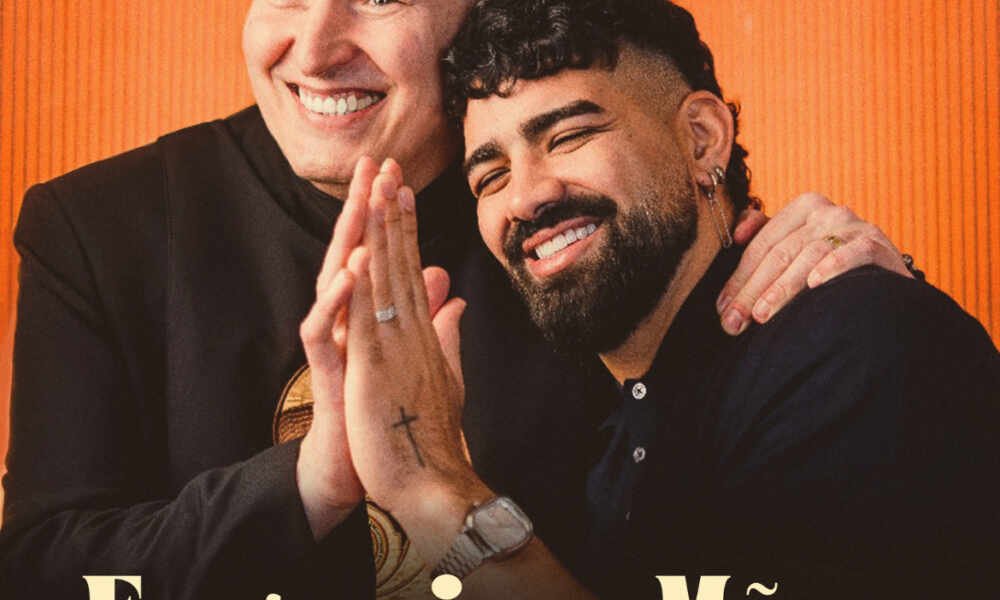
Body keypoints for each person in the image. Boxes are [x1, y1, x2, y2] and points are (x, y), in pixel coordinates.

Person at [0, 1, 918, 598]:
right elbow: (41, 570)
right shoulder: (94, 228)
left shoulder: (569, 220)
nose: (313, 50)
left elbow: (763, 424)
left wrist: (854, 295)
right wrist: (317, 478)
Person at [313, 1, 1000, 598]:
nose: (524, 196)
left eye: (568, 137)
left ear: (702, 138)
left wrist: (429, 483)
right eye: (490, 176)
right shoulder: (617, 430)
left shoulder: (852, 344)